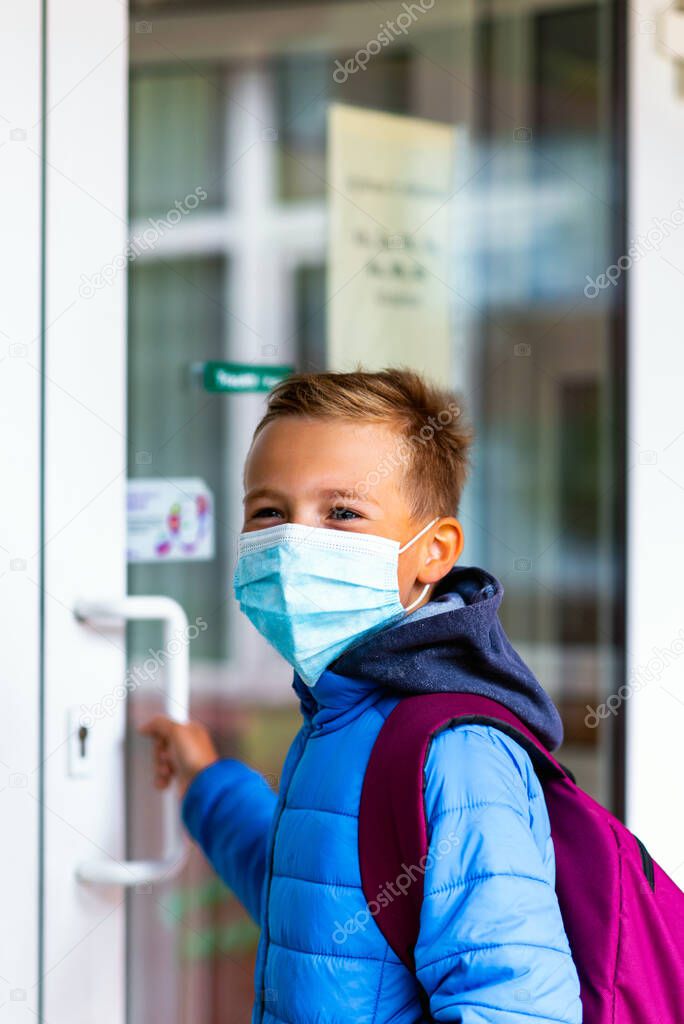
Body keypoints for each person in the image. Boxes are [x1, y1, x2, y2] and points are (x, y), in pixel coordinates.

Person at [140, 368, 582, 1023]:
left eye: (341, 511)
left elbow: (514, 1005)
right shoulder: (342, 713)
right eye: (269, 511)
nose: (294, 541)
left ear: (432, 552)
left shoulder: (456, 754)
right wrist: (208, 782)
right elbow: (317, 900)